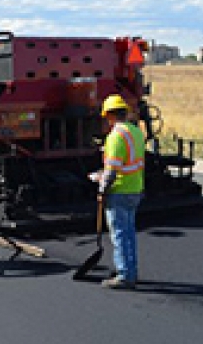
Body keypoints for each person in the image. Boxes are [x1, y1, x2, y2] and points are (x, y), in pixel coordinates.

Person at [88, 94, 145, 289]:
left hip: (119, 190)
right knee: (129, 233)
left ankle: (124, 276)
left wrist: (102, 188)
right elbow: (128, 162)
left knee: (119, 234)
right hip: (135, 188)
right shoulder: (136, 132)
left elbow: (112, 170)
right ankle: (131, 270)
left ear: (109, 115)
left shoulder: (115, 136)